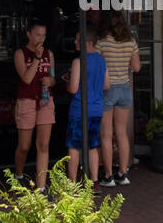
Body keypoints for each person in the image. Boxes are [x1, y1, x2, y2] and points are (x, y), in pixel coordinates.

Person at [96, 11, 140, 187]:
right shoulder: (131, 42)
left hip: (107, 90)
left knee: (106, 134)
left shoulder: (102, 44)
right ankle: (122, 173)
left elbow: (97, 67)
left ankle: (108, 176)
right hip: (124, 89)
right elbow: (136, 67)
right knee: (121, 133)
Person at [12, 20, 56, 186]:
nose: (41, 38)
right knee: (24, 146)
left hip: (45, 100)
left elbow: (53, 76)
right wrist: (37, 57)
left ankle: (41, 187)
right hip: (27, 101)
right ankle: (18, 174)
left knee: (43, 145)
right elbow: (27, 78)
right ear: (29, 34)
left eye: (44, 35)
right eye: (38, 34)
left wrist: (51, 81)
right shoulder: (20, 53)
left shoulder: (49, 54)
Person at [62, 30, 108, 183]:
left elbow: (73, 89)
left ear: (88, 43)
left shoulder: (78, 62)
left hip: (79, 109)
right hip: (96, 108)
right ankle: (94, 181)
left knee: (74, 146)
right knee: (92, 146)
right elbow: (106, 84)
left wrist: (67, 81)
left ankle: (73, 182)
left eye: (77, 40)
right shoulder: (102, 60)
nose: (75, 42)